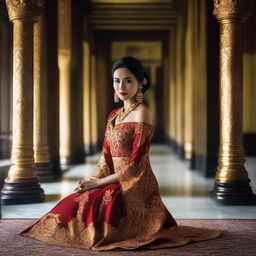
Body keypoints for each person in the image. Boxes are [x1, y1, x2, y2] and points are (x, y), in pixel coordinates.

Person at [20, 56, 221, 250]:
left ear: (141, 83)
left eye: (128, 81)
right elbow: (105, 157)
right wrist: (92, 181)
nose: (121, 87)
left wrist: (99, 184)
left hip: (135, 184)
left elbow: (136, 165)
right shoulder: (113, 115)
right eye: (117, 81)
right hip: (110, 178)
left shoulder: (143, 113)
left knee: (103, 205)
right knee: (75, 201)